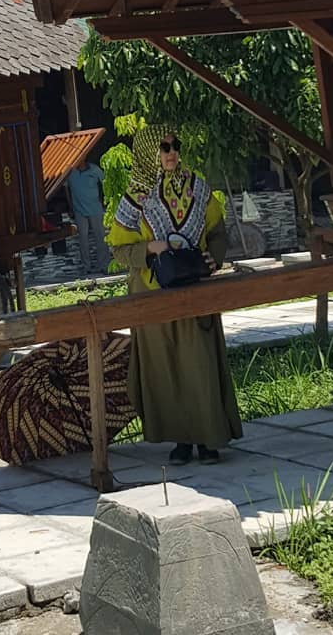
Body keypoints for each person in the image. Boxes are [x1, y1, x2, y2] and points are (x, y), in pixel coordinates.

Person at [108, 125, 243, 465]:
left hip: (194, 290)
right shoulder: (133, 200)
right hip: (152, 296)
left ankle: (208, 438)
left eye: (174, 145)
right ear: (148, 153)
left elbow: (217, 232)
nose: (170, 152)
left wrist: (215, 257)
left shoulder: (198, 189)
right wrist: (149, 248)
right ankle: (181, 441)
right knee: (165, 368)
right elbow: (118, 249)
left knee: (200, 363)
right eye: (163, 147)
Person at [66, 158, 111, 277]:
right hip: (79, 210)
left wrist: (104, 201)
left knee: (100, 237)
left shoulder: (95, 170)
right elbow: (66, 188)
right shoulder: (70, 172)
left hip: (95, 208)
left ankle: (104, 265)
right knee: (83, 240)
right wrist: (70, 206)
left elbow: (105, 183)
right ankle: (87, 267)